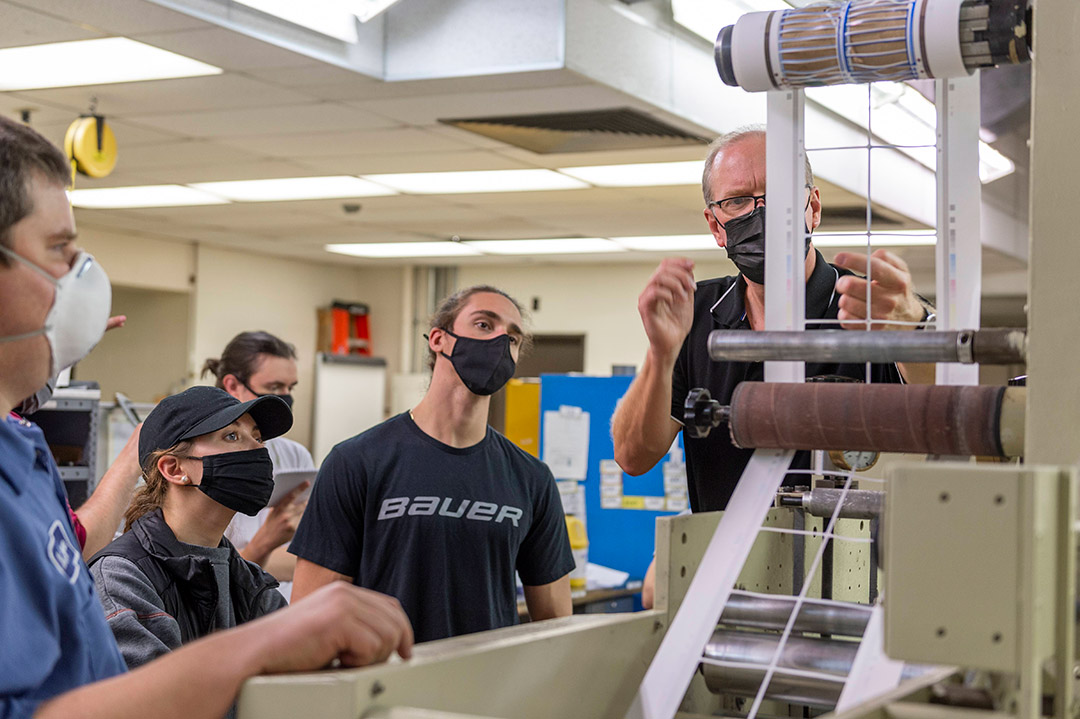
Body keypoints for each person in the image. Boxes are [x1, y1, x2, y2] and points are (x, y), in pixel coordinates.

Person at [0, 114, 412, 719]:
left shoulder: (22, 452)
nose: (80, 279)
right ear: (176, 468)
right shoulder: (127, 574)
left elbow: (72, 553)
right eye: (60, 250)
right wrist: (267, 643)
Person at [613, 127, 934, 513]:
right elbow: (633, 456)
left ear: (812, 207)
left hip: (850, 566)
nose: (759, 213)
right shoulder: (696, 313)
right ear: (716, 225)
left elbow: (947, 407)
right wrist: (661, 355)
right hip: (728, 565)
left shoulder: (870, 307)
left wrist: (913, 326)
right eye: (736, 201)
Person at [290, 286, 576, 642]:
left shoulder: (531, 478)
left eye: (514, 338)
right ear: (440, 339)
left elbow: (557, 625)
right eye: (485, 325)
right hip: (384, 685)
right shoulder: (356, 461)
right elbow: (309, 615)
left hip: (488, 689)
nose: (502, 341)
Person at [88, 386, 296, 669]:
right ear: (174, 469)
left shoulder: (249, 580)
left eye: (258, 438)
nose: (258, 450)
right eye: (232, 435)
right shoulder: (121, 579)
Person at [203, 331, 314, 599]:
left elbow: (308, 559)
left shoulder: (295, 455)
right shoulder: (201, 460)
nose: (285, 397)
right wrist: (264, 546)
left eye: (290, 388)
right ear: (232, 385)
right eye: (275, 387)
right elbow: (205, 576)